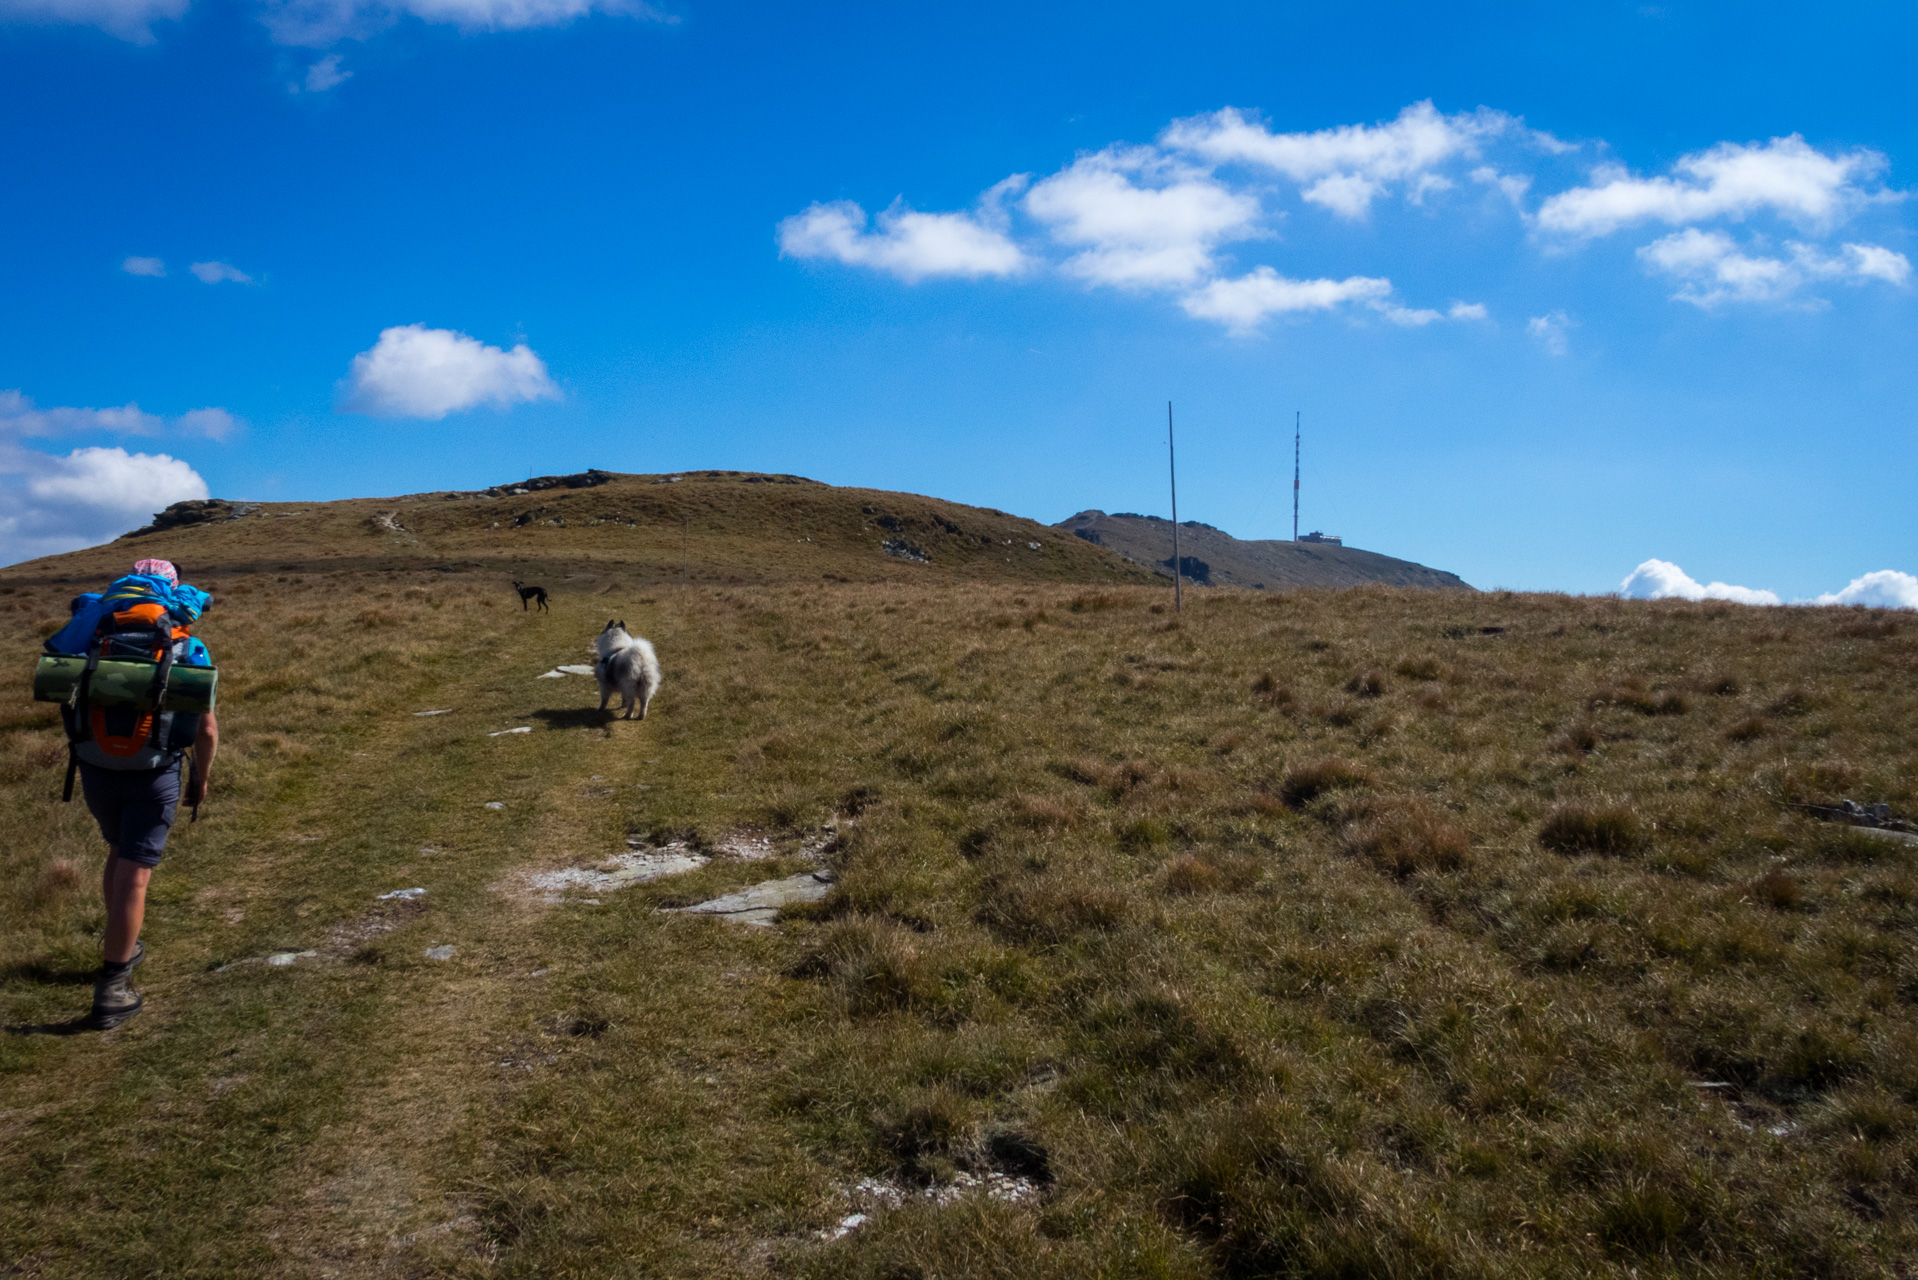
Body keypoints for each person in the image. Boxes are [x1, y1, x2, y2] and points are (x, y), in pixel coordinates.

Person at [77, 558, 218, 1029]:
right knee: (136, 876)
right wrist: (202, 778)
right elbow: (207, 729)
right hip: (154, 771)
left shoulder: (93, 634)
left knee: (118, 853)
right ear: (172, 593)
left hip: (95, 768)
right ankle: (113, 987)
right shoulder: (185, 644)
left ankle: (123, 943)